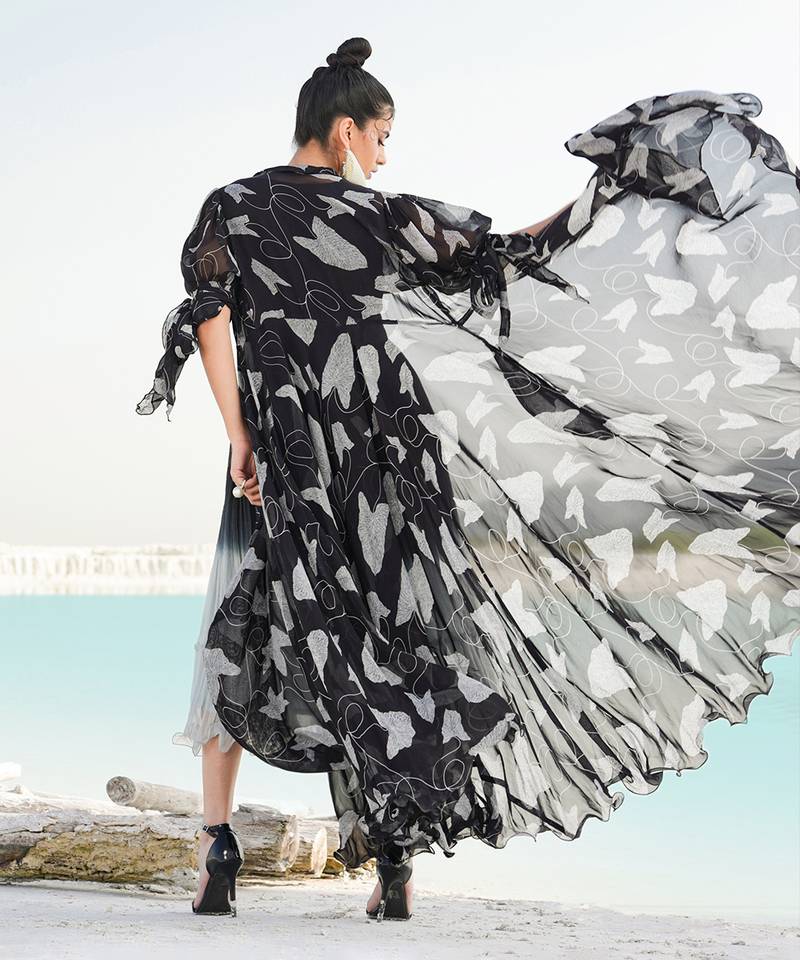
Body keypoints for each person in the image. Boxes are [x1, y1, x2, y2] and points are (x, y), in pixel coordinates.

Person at [136, 36, 800, 921]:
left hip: (282, 465)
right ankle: (394, 865)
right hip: (381, 468)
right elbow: (503, 249)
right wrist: (608, 191)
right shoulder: (379, 217)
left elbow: (210, 319)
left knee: (244, 628)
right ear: (344, 131)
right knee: (398, 639)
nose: (383, 156)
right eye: (380, 138)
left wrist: (238, 437)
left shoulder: (234, 207)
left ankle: (218, 846)